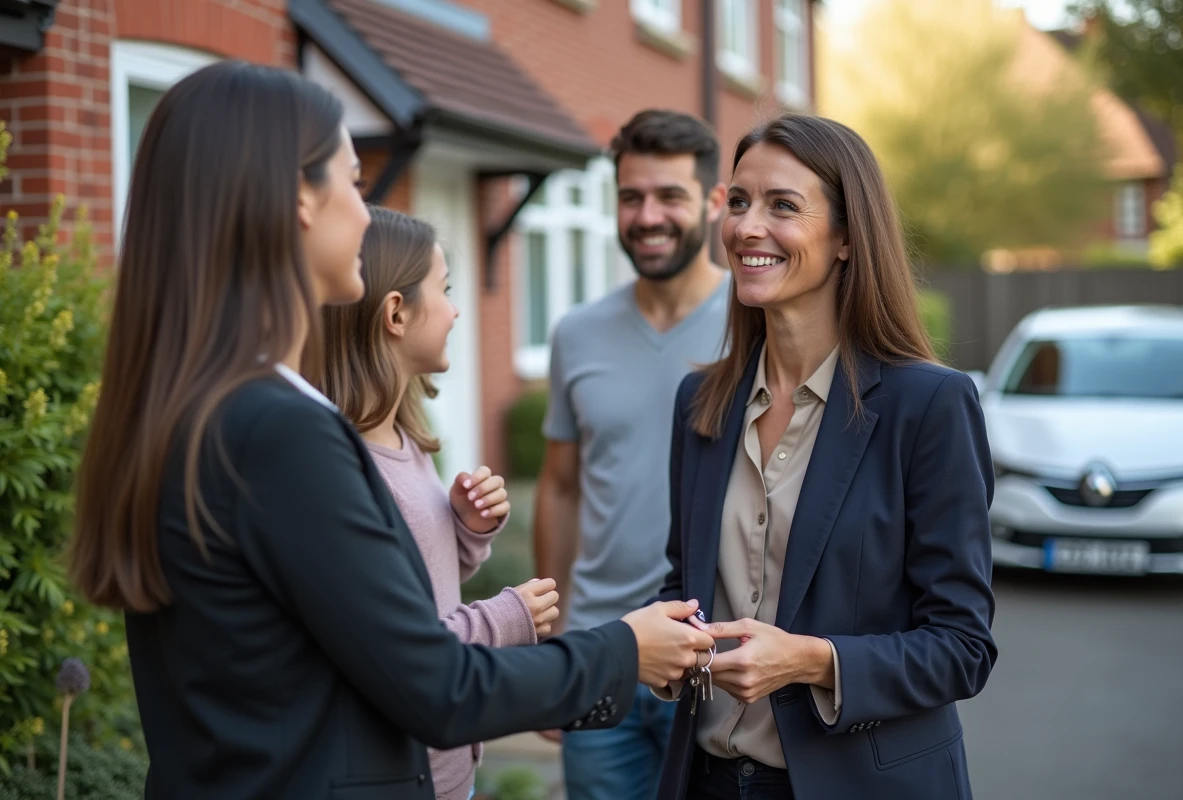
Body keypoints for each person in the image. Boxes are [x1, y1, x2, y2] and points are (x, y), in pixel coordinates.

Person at [66, 61, 714, 800]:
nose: (368, 215)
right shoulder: (276, 431)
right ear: (296, 202)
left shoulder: (200, 403)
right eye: (352, 181)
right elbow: (438, 685)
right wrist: (624, 649)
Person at [652, 114, 998, 800]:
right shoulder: (702, 402)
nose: (749, 227)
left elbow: (963, 647)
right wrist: (656, 645)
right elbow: (683, 585)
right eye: (740, 201)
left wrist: (813, 661)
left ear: (845, 237)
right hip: (709, 780)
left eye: (783, 206)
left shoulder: (928, 405)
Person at [310, 206, 561, 800]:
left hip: (447, 770)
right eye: (444, 291)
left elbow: (415, 582)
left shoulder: (402, 436)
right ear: (396, 312)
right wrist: (508, 618)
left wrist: (464, 532)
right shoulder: (340, 467)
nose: (454, 311)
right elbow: (397, 653)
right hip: (394, 775)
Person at [531, 109, 730, 800]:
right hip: (601, 654)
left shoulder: (757, 323)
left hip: (716, 657)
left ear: (711, 201)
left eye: (669, 196)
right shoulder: (576, 333)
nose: (648, 216)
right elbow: (559, 487)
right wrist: (551, 640)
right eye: (630, 197)